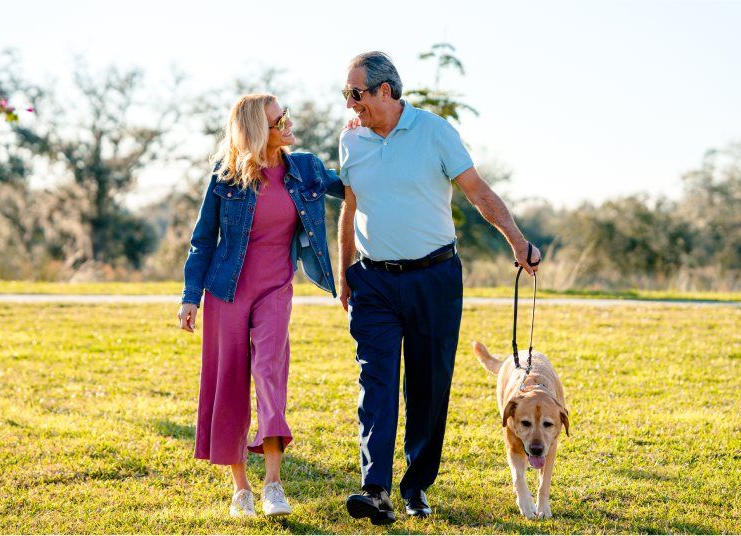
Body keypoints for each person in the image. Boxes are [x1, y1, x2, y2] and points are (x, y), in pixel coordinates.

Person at [337, 52, 542, 525]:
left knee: (429, 387)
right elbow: (350, 208)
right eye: (347, 95)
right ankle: (376, 489)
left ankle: (416, 487)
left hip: (434, 277)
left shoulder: (435, 132)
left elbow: (478, 192)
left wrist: (518, 241)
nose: (350, 104)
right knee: (377, 383)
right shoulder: (352, 141)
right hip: (374, 282)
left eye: (356, 93)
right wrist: (346, 271)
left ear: (384, 91)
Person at [178, 94, 343, 518]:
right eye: (278, 120)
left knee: (270, 373)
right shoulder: (227, 176)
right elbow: (203, 240)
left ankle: (273, 484)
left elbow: (348, 186)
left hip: (275, 289)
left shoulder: (303, 167)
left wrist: (357, 140)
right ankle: (241, 490)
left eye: (285, 114)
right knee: (229, 381)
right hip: (225, 291)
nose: (288, 123)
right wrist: (190, 298)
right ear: (256, 131)